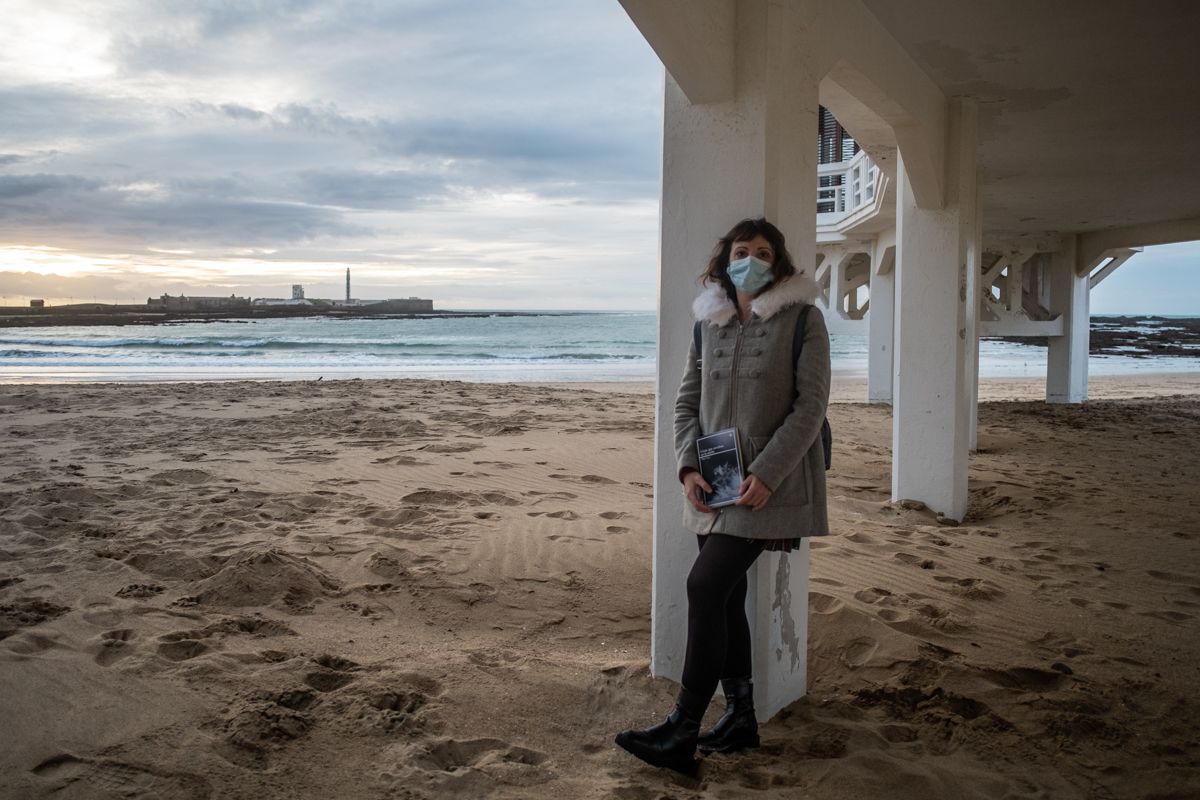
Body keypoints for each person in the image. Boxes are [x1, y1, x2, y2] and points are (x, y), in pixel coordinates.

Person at [614, 217, 831, 773]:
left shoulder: (803, 320)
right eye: (741, 251)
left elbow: (810, 407)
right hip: (714, 483)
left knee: (705, 586)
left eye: (763, 252)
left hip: (768, 487)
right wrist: (687, 468)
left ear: (778, 263)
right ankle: (740, 716)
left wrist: (769, 473)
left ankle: (682, 728)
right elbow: (685, 403)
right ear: (725, 260)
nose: (750, 260)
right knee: (727, 596)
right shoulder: (706, 324)